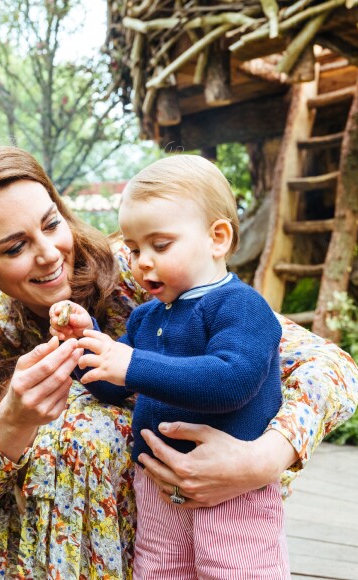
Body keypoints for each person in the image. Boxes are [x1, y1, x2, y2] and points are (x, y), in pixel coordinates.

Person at [0, 143, 358, 580]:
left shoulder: (146, 272)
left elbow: (332, 366)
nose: (49, 254)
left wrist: (264, 459)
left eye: (51, 224)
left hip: (195, 540)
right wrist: (12, 421)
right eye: (15, 248)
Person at [50, 155, 288, 578]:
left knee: (236, 570)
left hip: (232, 491)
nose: (143, 261)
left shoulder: (241, 306)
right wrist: (84, 344)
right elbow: (111, 385)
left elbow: (232, 381)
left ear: (217, 238)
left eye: (160, 245)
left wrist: (133, 365)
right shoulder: (146, 317)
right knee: (160, 570)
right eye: (135, 248)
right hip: (157, 486)